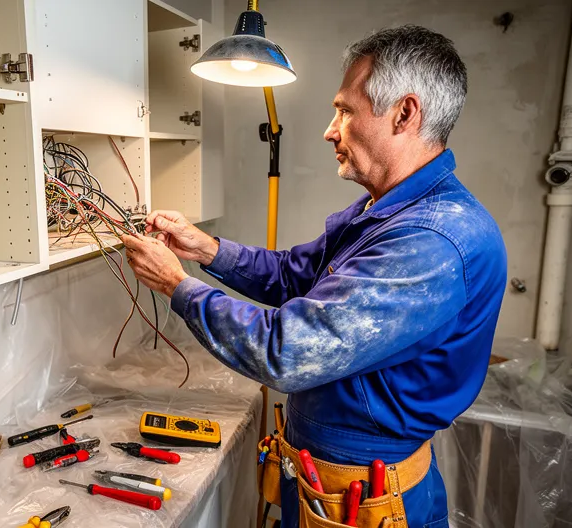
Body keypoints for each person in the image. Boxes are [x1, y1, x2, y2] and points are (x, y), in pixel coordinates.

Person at [122, 25, 506, 527]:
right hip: (326, 479)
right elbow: (296, 274)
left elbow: (286, 351)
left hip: (363, 497)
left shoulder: (432, 240)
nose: (330, 130)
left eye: (345, 110)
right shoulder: (384, 211)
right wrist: (207, 249)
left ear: (404, 113)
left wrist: (176, 285)